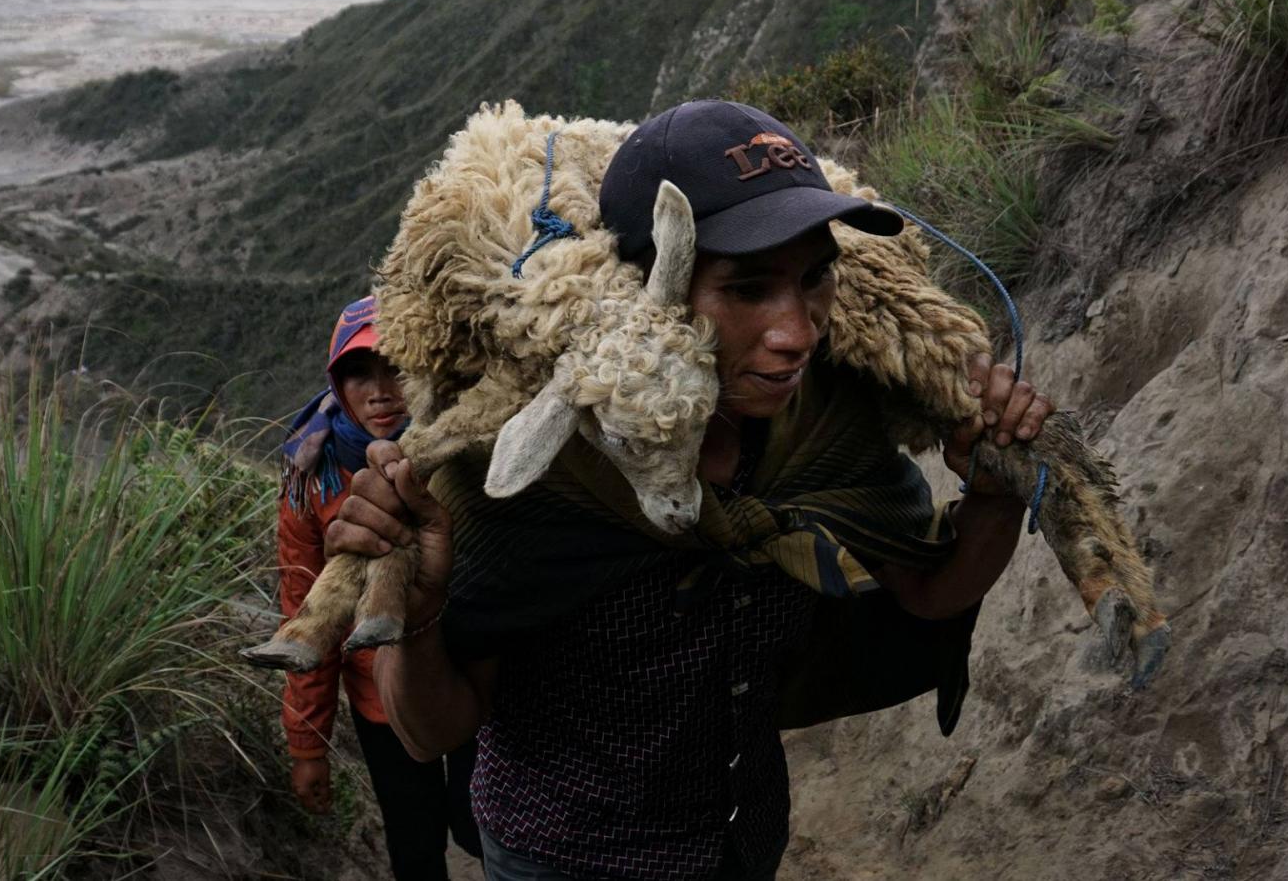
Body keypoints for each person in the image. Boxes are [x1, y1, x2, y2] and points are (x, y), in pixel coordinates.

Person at [325, 102, 1056, 880]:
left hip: (741, 842)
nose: (799, 331)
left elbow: (929, 591)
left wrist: (994, 493)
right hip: (565, 857)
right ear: (653, 295)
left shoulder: (819, 425)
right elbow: (428, 733)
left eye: (815, 277)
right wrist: (420, 605)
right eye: (746, 289)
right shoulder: (531, 469)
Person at [276, 296, 481, 880]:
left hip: (473, 676)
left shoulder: (467, 451)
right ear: (337, 386)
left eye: (396, 365)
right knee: (414, 846)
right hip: (379, 697)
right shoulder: (312, 476)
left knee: (480, 824)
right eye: (358, 374)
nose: (381, 390)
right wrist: (307, 746)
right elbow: (306, 609)